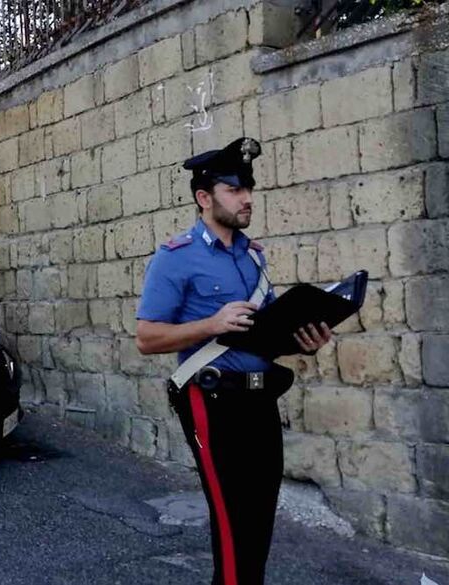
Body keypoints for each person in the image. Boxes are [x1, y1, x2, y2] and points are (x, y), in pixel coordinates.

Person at [135, 137, 333, 585]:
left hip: (261, 400)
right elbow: (146, 338)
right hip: (211, 401)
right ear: (205, 198)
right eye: (234, 190)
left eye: (248, 189)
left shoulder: (254, 256)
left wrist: (304, 340)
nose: (246, 199)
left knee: (261, 514)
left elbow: (263, 336)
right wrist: (212, 323)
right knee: (231, 520)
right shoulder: (175, 258)